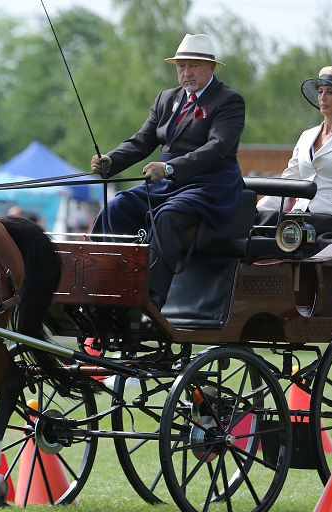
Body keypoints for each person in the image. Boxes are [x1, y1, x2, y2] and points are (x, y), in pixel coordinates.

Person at [90, 33, 245, 309]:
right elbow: (142, 142)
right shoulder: (166, 99)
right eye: (181, 66)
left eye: (194, 66)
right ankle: (103, 283)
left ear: (211, 68)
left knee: (168, 217)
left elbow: (217, 149)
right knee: (117, 207)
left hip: (209, 185)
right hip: (167, 184)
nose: (186, 73)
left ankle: (150, 298)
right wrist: (110, 161)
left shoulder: (229, 101)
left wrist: (170, 167)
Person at [255, 65, 332, 248]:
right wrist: (259, 208)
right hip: (300, 216)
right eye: (320, 91)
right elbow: (289, 180)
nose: (322, 98)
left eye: (330, 92)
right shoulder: (307, 136)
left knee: (291, 230)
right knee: (264, 218)